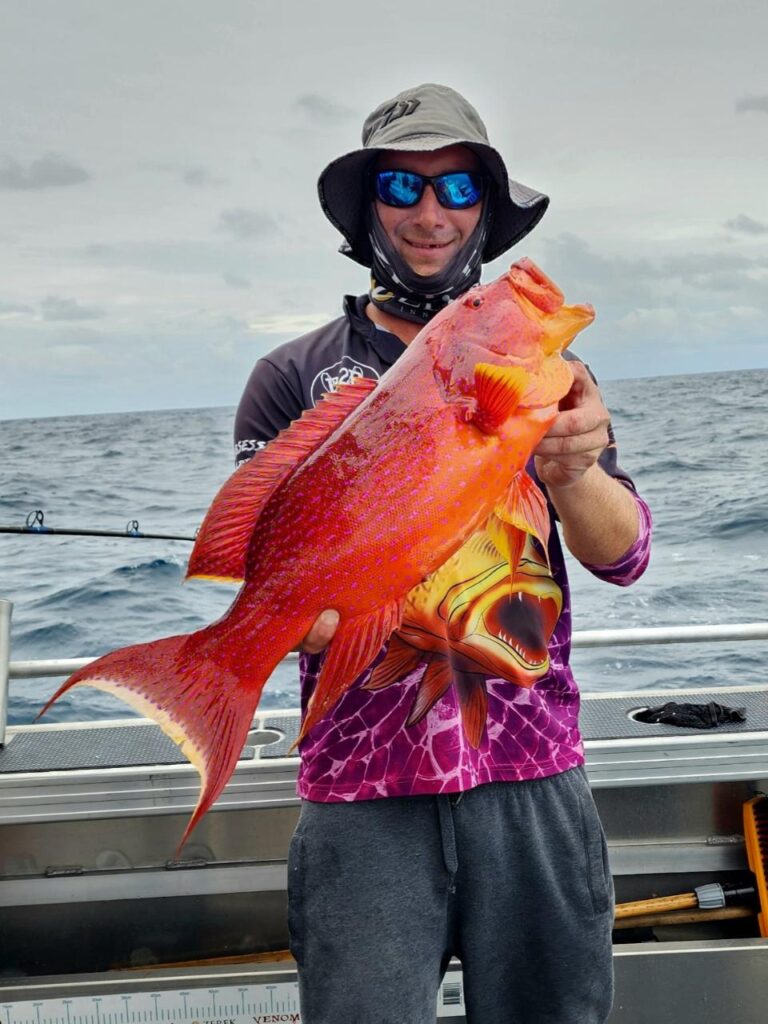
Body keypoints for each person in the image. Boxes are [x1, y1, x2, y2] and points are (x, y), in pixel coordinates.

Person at [235, 83, 651, 1024]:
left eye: (459, 189)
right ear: (367, 206)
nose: (432, 213)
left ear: (487, 214)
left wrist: (572, 469)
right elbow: (274, 579)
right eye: (403, 185)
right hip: (361, 783)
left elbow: (623, 557)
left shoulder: (553, 378)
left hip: (534, 766)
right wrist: (314, 627)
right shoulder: (293, 376)